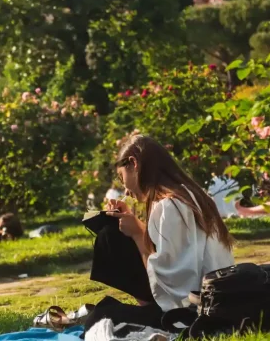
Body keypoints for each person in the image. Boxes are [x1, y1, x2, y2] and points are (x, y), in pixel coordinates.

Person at [85, 135, 235, 331]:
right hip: (210, 301)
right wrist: (136, 227)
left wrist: (139, 235)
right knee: (112, 234)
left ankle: (149, 311)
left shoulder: (170, 205)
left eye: (122, 178)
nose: (126, 191)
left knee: (101, 316)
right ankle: (148, 309)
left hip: (191, 313)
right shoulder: (190, 195)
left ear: (134, 164)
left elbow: (173, 284)